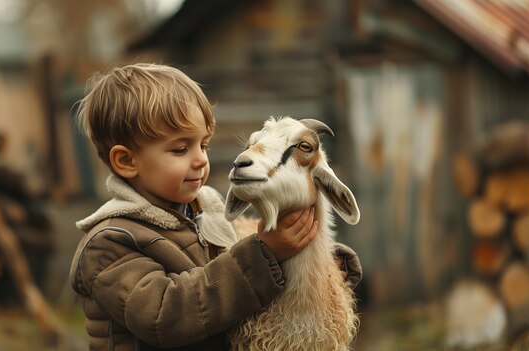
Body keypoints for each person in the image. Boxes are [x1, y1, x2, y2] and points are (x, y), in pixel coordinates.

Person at [69, 63, 361, 350]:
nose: (200, 160)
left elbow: (232, 278)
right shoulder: (109, 244)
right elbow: (166, 316)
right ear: (127, 161)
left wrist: (316, 260)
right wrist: (264, 254)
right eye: (181, 149)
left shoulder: (203, 213)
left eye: (204, 145)